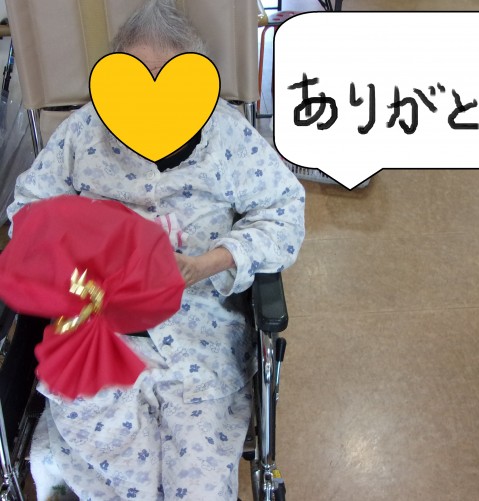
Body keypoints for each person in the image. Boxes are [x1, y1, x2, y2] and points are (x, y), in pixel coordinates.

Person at [6, 1, 305, 499]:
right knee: (117, 474)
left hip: (199, 333)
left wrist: (210, 263)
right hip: (96, 330)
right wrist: (88, 254)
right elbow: (28, 213)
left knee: (199, 485)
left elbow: (284, 210)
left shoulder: (227, 133)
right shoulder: (83, 131)